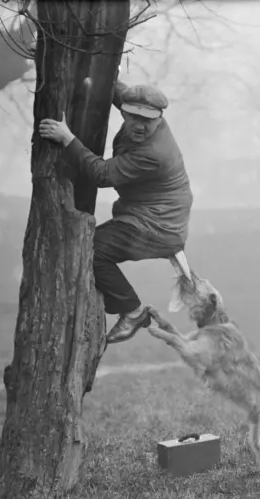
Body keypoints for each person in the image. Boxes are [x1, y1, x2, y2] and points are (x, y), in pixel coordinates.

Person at [39, 79, 194, 344]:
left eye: (148, 120)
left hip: (157, 227)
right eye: (133, 117)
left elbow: (102, 174)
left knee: (89, 249)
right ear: (123, 111)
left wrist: (68, 139)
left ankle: (132, 311)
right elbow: (111, 85)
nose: (139, 125)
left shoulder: (154, 153)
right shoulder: (134, 111)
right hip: (148, 216)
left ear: (160, 119)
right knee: (87, 247)